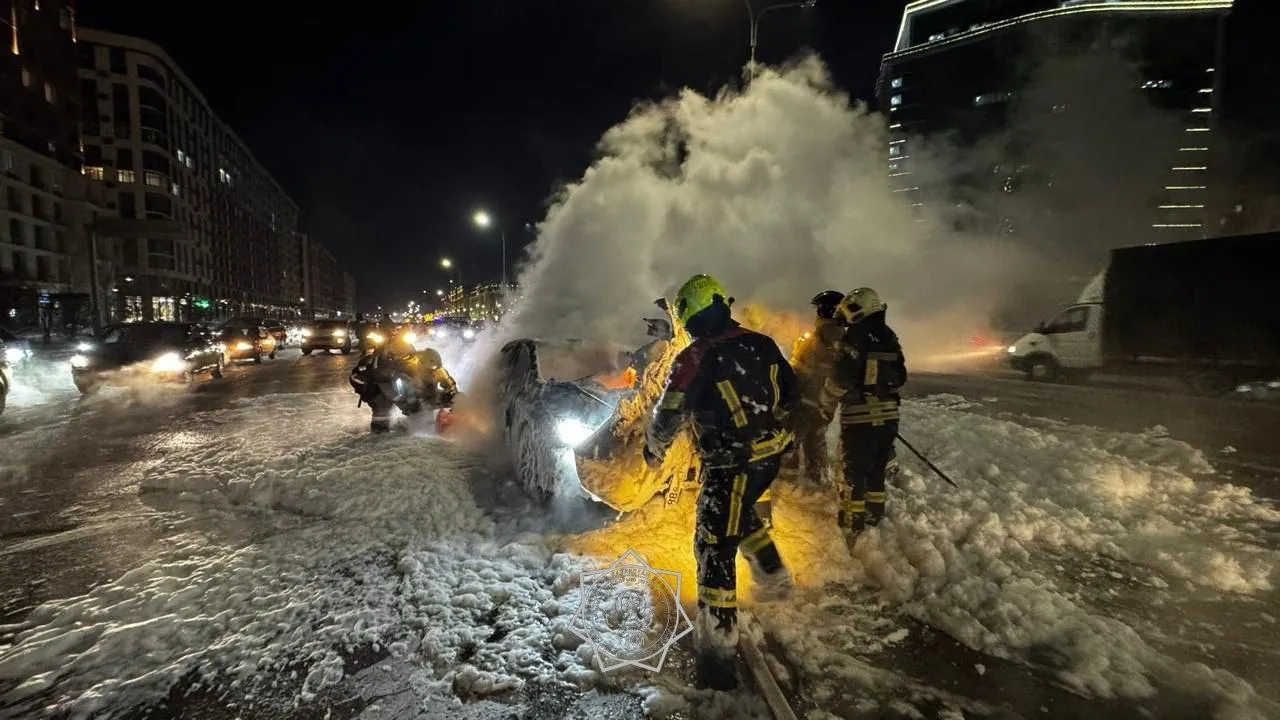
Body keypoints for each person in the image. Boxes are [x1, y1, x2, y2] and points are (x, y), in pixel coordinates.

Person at [643, 273, 799, 690]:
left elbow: (669, 413)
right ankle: (773, 571)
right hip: (769, 457)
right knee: (739, 512)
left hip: (731, 463)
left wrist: (654, 448)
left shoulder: (695, 357)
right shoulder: (763, 344)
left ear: (691, 317)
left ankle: (718, 648)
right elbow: (791, 392)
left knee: (713, 544)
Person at [819, 287, 907, 544]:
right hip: (889, 418)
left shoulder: (854, 337)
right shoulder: (889, 336)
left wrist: (825, 403)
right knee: (876, 469)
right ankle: (873, 516)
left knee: (853, 474)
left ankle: (851, 525)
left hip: (859, 419)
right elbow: (900, 376)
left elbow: (840, 379)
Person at [784, 290, 846, 485]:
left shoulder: (822, 336)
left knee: (791, 439)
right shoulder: (840, 338)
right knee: (815, 440)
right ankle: (818, 480)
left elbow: (800, 370)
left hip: (808, 399)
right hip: (822, 401)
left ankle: (790, 484)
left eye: (820, 309)